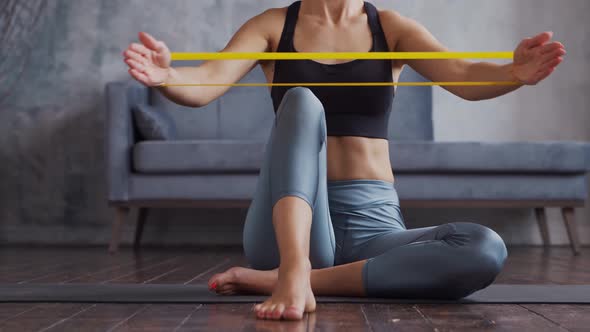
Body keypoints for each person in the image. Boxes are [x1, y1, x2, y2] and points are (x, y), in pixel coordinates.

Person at [123, 0, 566, 321]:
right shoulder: (273, 25)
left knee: (484, 248)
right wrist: (168, 76)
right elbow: (205, 82)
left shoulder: (391, 27)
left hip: (375, 228)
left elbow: (464, 75)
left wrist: (512, 73)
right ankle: (294, 267)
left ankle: (289, 281)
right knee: (300, 101)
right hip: (291, 223)